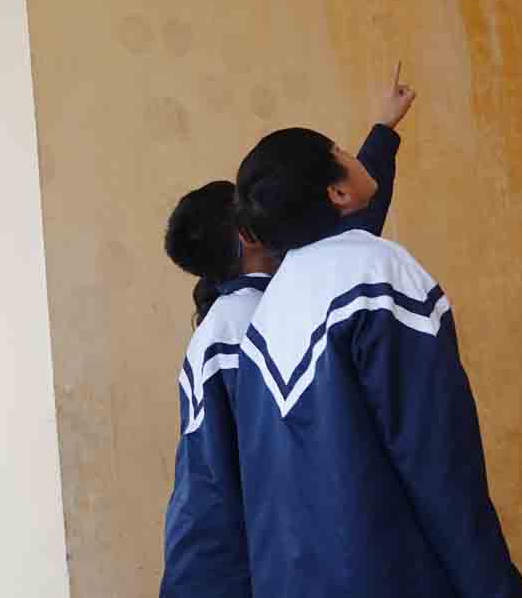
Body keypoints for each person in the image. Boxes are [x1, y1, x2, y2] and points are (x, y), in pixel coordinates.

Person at [232, 125, 522, 598]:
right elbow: (437, 459)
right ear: (339, 191)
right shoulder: (376, 274)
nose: (354, 155)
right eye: (342, 151)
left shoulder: (263, 321)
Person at [158, 82, 414, 598]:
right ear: (251, 238)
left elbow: (344, 232)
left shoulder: (239, 313)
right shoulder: (253, 322)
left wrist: (383, 132)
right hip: (232, 570)